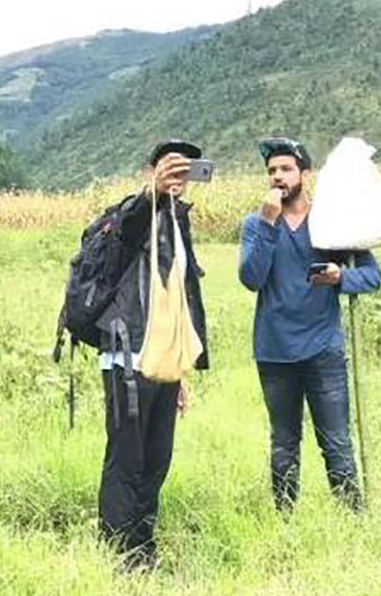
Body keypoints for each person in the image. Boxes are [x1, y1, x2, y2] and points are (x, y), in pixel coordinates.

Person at [239, 137, 381, 513]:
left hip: (323, 349)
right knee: (284, 443)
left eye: (286, 169)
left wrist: (340, 277)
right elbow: (251, 278)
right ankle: (285, 521)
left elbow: (373, 276)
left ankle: (353, 519)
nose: (278, 177)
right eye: (272, 171)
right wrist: (269, 224)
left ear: (305, 174)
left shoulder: (330, 220)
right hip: (274, 352)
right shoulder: (256, 223)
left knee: (336, 441)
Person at [98, 139, 209, 569]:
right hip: (128, 356)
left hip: (164, 362)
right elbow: (130, 223)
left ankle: (143, 548)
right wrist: (154, 193)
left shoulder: (179, 224)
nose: (177, 176)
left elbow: (177, 303)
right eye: (169, 168)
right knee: (128, 459)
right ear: (152, 172)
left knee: (157, 459)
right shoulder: (132, 212)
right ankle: (116, 553)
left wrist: (182, 373)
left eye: (184, 169)